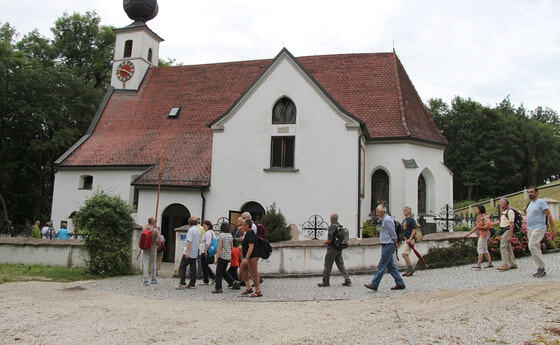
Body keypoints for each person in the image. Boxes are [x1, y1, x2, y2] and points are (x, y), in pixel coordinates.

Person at [364, 205, 405, 292]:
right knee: (391, 266)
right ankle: (400, 283)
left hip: (389, 244)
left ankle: (374, 284)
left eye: (377, 212)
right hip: (386, 243)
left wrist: (396, 242)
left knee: (382, 265)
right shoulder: (385, 219)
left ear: (382, 212)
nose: (376, 214)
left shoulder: (387, 220)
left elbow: (392, 233)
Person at [524, 186, 556, 277]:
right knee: (536, 247)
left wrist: (553, 229)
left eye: (531, 192)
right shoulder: (530, 203)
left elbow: (549, 215)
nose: (530, 194)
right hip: (530, 228)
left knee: (532, 245)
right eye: (528, 192)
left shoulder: (541, 202)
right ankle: (541, 268)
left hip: (539, 228)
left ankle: (541, 267)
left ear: (536, 193)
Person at [317, 213, 351, 287]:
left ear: (332, 219)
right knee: (340, 264)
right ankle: (347, 279)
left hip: (332, 248)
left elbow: (331, 239)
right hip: (339, 248)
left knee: (327, 265)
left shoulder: (332, 226)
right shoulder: (340, 226)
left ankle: (325, 282)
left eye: (330, 218)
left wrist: (325, 243)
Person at [464, 205, 493, 269]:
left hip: (484, 234)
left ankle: (479, 264)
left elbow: (488, 226)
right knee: (484, 249)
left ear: (480, 210)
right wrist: (469, 234)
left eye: (477, 209)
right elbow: (476, 227)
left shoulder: (485, 217)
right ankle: (490, 263)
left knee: (480, 248)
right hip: (482, 234)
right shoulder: (479, 217)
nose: (476, 210)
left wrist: (479, 227)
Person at [492, 198, 518, 270]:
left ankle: (505, 264)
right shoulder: (504, 212)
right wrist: (491, 224)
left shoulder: (510, 211)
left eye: (502, 203)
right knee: (508, 247)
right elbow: (500, 222)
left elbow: (511, 224)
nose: (500, 204)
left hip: (507, 230)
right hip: (504, 230)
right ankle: (513, 263)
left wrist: (510, 235)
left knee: (503, 246)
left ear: (506, 204)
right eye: (500, 203)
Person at [239, 218, 262, 297]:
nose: (242, 226)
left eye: (243, 225)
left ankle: (258, 291)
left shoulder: (250, 233)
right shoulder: (246, 233)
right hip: (247, 257)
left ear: (247, 226)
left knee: (253, 273)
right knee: (242, 270)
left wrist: (246, 258)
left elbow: (251, 246)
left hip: (252, 257)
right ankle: (248, 288)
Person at [177, 217, 201, 289]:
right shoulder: (198, 230)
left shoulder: (191, 230)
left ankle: (182, 282)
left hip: (189, 251)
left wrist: (187, 252)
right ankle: (192, 283)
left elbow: (189, 242)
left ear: (189, 223)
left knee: (182, 266)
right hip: (195, 251)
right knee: (193, 267)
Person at [213, 222, 236, 293]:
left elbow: (219, 248)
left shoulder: (221, 236)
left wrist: (216, 258)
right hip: (228, 256)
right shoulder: (230, 235)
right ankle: (233, 281)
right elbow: (232, 247)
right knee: (223, 271)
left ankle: (218, 288)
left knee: (218, 273)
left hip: (222, 256)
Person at [141, 217, 161, 286]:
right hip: (153, 248)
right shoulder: (156, 230)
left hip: (145, 248)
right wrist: (157, 243)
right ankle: (153, 279)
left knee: (145, 263)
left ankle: (146, 280)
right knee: (153, 263)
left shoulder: (144, 228)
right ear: (153, 222)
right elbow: (159, 240)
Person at [401, 206, 418, 276]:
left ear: (409, 211)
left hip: (409, 240)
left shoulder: (411, 220)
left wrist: (410, 238)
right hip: (405, 239)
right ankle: (409, 269)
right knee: (404, 254)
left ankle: (410, 269)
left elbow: (414, 229)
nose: (404, 212)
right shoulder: (404, 220)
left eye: (406, 210)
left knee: (404, 254)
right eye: (404, 210)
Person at [200, 220, 216, 285]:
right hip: (208, 251)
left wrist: (205, 251)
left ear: (208, 226)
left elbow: (208, 242)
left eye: (204, 225)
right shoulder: (211, 232)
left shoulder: (208, 233)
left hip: (206, 251)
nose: (203, 227)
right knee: (205, 265)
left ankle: (206, 281)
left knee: (204, 266)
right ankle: (213, 277)